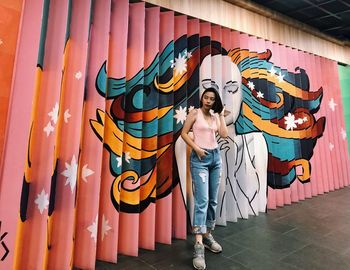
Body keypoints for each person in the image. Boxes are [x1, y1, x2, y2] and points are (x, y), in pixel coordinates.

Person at [181, 87, 228, 270]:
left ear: (215, 101)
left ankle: (208, 235)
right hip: (199, 158)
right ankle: (199, 245)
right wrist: (197, 148)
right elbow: (184, 133)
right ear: (202, 98)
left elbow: (223, 134)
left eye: (211, 99)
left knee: (213, 201)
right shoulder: (195, 113)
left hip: (216, 158)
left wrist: (222, 115)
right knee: (202, 201)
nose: (208, 101)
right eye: (206, 97)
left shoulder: (216, 117)